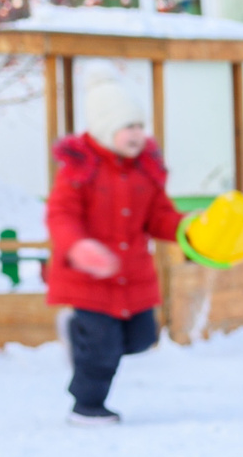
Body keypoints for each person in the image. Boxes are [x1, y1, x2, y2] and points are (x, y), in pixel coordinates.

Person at [46, 82, 180, 426]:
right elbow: (61, 214)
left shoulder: (145, 171)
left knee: (142, 338)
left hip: (131, 274)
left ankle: (78, 336)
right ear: (106, 130)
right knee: (102, 348)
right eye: (128, 127)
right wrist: (78, 246)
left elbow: (159, 216)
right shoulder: (81, 169)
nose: (137, 134)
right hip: (87, 275)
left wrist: (189, 229)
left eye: (139, 126)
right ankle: (87, 407)